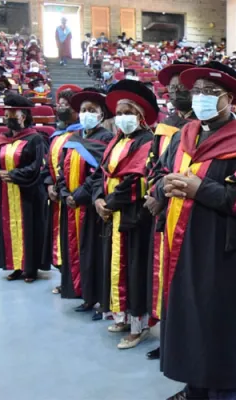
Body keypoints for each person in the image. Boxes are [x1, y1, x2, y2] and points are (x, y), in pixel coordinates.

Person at [153, 61, 236, 400]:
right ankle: (195, 389)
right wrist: (162, 188)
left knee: (219, 324)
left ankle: (224, 394)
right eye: (198, 91)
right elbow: (159, 172)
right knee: (190, 319)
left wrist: (199, 189)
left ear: (229, 98)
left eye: (210, 92)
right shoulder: (184, 135)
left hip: (221, 250)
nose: (201, 96)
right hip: (181, 244)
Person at [91, 80, 157, 349]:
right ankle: (122, 316)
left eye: (128, 112)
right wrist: (98, 199)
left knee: (134, 269)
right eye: (119, 113)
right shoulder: (116, 140)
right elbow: (103, 173)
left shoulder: (147, 141)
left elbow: (137, 180)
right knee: (116, 267)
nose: (122, 117)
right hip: (113, 213)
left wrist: (109, 203)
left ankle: (139, 325)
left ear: (140, 115)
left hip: (133, 216)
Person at [144, 61, 197, 360]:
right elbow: (155, 167)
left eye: (183, 87)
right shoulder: (165, 128)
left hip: (192, 215)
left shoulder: (206, 125)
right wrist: (156, 195)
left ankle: (185, 344)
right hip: (164, 215)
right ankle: (168, 340)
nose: (177, 92)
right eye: (173, 88)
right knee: (164, 279)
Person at [58, 87, 114, 316]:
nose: (87, 114)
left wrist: (79, 195)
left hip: (91, 206)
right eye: (83, 110)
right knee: (76, 251)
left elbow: (101, 173)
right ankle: (84, 295)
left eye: (92, 110)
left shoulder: (106, 139)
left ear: (101, 115)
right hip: (71, 207)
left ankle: (99, 299)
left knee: (94, 254)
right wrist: (65, 193)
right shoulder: (73, 138)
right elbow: (61, 169)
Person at [0, 94, 48, 282]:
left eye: (13, 113)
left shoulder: (35, 138)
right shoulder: (2, 139)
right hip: (8, 193)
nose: (8, 116)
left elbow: (37, 166)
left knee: (29, 229)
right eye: (6, 113)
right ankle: (17, 266)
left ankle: (31, 268)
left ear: (24, 116)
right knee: (10, 228)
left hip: (28, 192)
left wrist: (13, 175)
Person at [42, 85, 82, 296]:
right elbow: (48, 166)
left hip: (75, 197)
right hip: (57, 198)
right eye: (59, 104)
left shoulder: (82, 134)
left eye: (66, 104)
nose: (60, 107)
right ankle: (66, 280)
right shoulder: (57, 135)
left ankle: (80, 283)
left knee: (77, 241)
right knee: (61, 241)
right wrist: (50, 184)